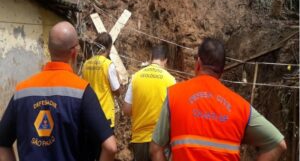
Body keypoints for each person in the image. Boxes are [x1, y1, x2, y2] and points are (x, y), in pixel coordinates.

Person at [150, 37, 287, 161]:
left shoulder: (175, 94)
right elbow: (278, 144)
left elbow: (156, 149)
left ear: (198, 64)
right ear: (222, 71)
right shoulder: (240, 106)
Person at [0, 21, 117, 161]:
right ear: (74, 52)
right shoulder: (82, 91)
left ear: (49, 50)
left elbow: (3, 143)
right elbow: (110, 147)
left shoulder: (22, 91)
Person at [123, 44, 176, 161]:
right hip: (161, 143)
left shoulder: (136, 77)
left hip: (139, 139)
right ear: (165, 60)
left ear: (150, 57)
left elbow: (126, 110)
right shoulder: (171, 80)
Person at [82, 32, 121, 129]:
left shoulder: (86, 64)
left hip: (88, 114)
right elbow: (117, 91)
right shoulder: (108, 65)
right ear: (110, 47)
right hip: (104, 114)